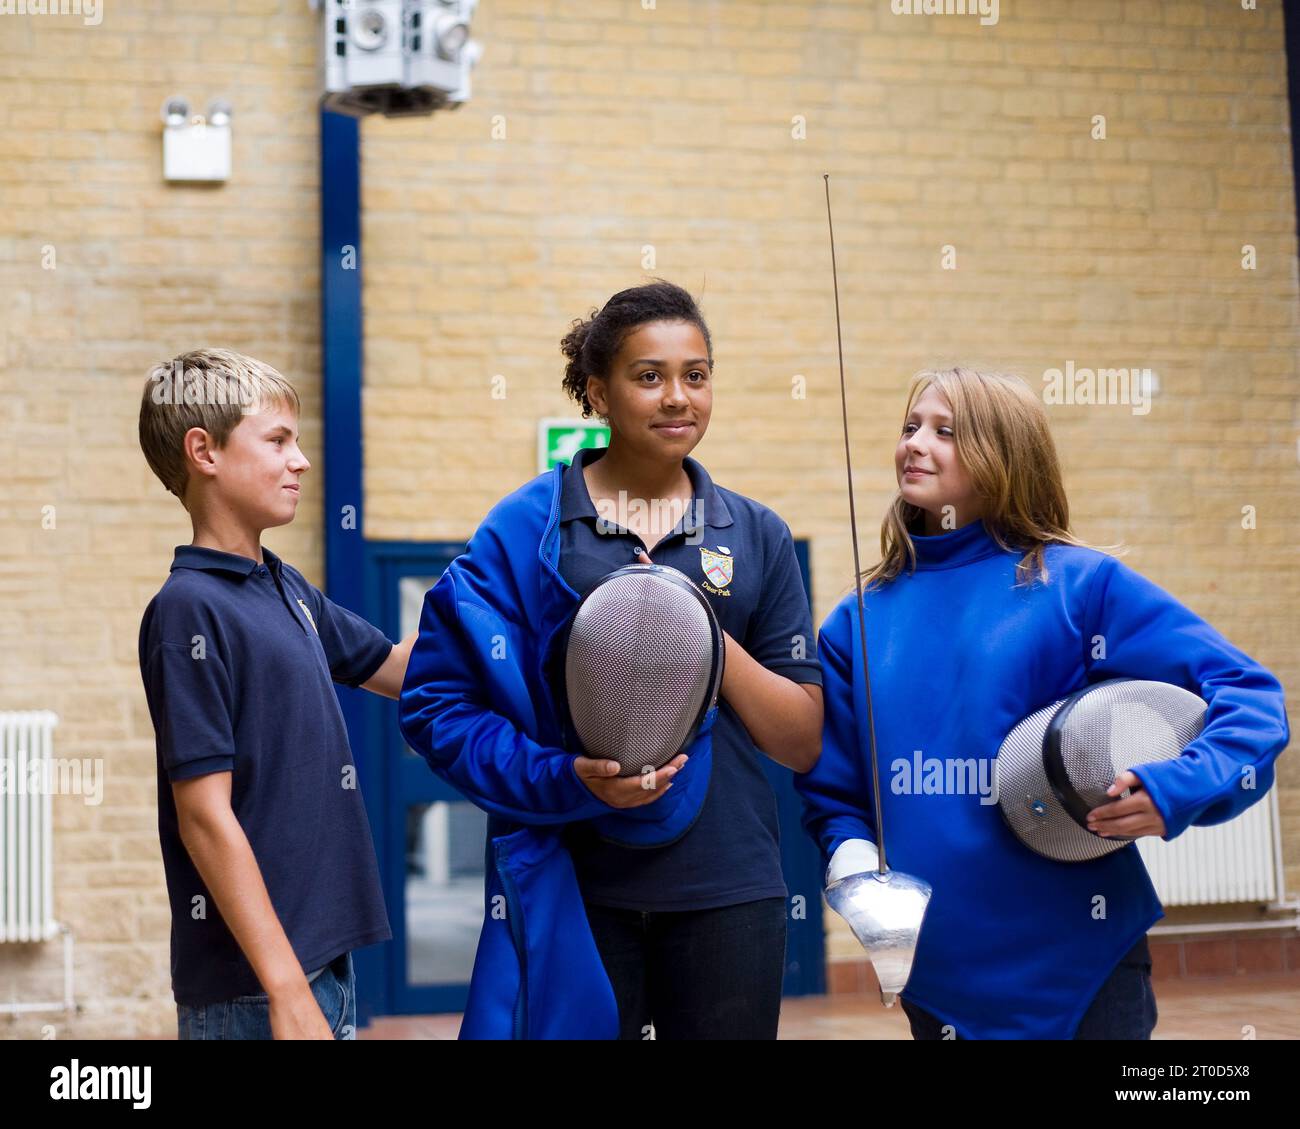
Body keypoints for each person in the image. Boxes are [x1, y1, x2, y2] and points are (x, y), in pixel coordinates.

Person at [796, 366, 1290, 1040]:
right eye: (911, 426)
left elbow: (1252, 697)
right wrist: (851, 859)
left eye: (946, 431)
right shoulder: (856, 619)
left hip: (1083, 966)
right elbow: (836, 791)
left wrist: (1174, 785)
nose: (916, 443)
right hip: (942, 981)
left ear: (1006, 456)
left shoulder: (1080, 586)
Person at [399, 281, 823, 1039]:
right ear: (598, 390)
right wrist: (560, 777)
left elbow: (800, 739)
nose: (677, 397)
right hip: (576, 884)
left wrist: (701, 641)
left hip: (730, 890)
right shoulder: (525, 528)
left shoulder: (758, 533)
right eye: (649, 375)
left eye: (696, 374)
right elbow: (436, 705)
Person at [137, 349, 415, 1040]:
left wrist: (503, 581)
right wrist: (285, 988)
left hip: (323, 968)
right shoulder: (188, 610)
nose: (302, 462)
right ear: (204, 451)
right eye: (279, 441)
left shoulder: (286, 587)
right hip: (257, 991)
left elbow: (403, 669)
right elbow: (204, 815)